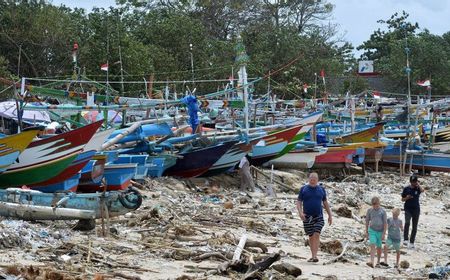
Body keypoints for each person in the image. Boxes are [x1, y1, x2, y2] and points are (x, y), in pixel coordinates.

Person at [296, 172, 332, 262]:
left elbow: (325, 203)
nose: (313, 181)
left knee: (317, 233)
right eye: (311, 179)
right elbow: (299, 202)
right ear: (309, 179)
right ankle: (313, 256)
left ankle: (315, 256)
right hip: (307, 216)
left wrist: (330, 215)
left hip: (318, 216)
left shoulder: (321, 189)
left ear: (317, 180)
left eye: (314, 180)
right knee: (311, 236)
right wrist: (300, 213)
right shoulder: (303, 189)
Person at [401, 174, 424, 249]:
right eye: (412, 182)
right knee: (407, 222)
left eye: (415, 182)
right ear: (410, 182)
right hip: (408, 208)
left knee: (415, 226)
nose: (413, 183)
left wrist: (419, 184)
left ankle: (412, 242)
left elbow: (422, 190)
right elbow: (402, 199)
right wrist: (407, 198)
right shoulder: (406, 189)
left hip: (416, 209)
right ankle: (405, 239)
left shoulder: (418, 188)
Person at [365, 196, 387, 268]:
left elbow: (385, 223)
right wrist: (366, 231)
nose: (375, 206)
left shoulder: (383, 211)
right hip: (372, 230)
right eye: (374, 204)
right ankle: (371, 261)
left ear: (379, 203)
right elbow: (367, 221)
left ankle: (378, 261)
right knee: (372, 244)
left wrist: (384, 233)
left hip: (380, 232)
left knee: (379, 247)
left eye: (376, 204)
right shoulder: (369, 210)